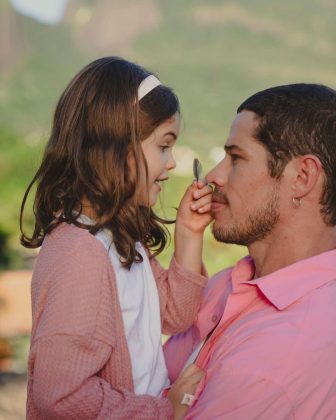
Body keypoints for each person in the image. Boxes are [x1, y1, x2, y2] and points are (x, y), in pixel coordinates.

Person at [20, 57, 213, 419]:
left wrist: (188, 232)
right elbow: (61, 395)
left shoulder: (121, 238)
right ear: (119, 147)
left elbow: (175, 314)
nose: (171, 163)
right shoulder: (80, 253)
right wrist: (161, 411)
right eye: (163, 146)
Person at [165, 83, 336, 419]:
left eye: (236, 157)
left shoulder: (278, 356)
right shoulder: (227, 282)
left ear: (302, 177)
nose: (214, 176)